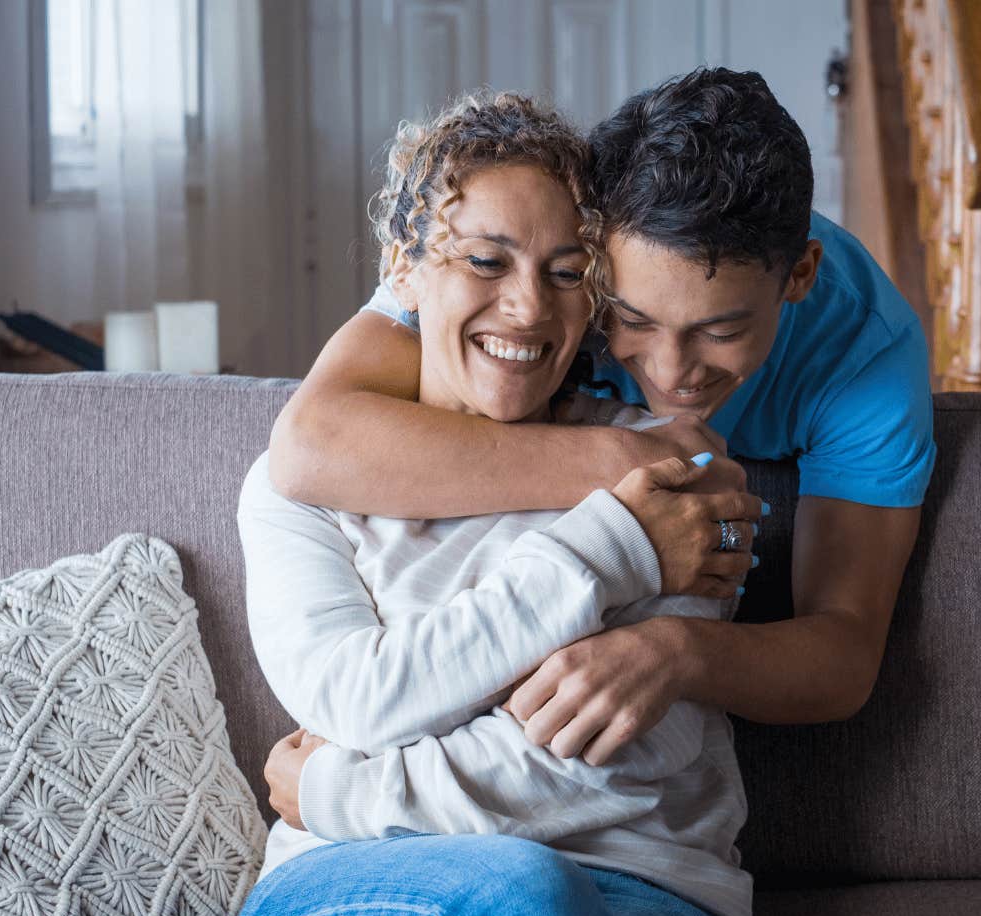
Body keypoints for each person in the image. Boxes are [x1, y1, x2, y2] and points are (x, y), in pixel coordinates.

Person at [230, 92, 761, 916]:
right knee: (514, 896)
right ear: (403, 270)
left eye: (567, 274)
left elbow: (603, 764)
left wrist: (344, 785)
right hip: (348, 904)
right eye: (486, 261)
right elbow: (356, 692)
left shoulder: (670, 475)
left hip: (645, 907)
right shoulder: (299, 485)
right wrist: (604, 552)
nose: (529, 308)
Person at [267, 68, 936, 769]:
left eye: (720, 331)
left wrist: (678, 653)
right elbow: (310, 445)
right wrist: (636, 462)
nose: (673, 372)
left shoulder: (867, 356)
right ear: (596, 252)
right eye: (632, 320)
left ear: (799, 276)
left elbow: (844, 656)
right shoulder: (530, 260)